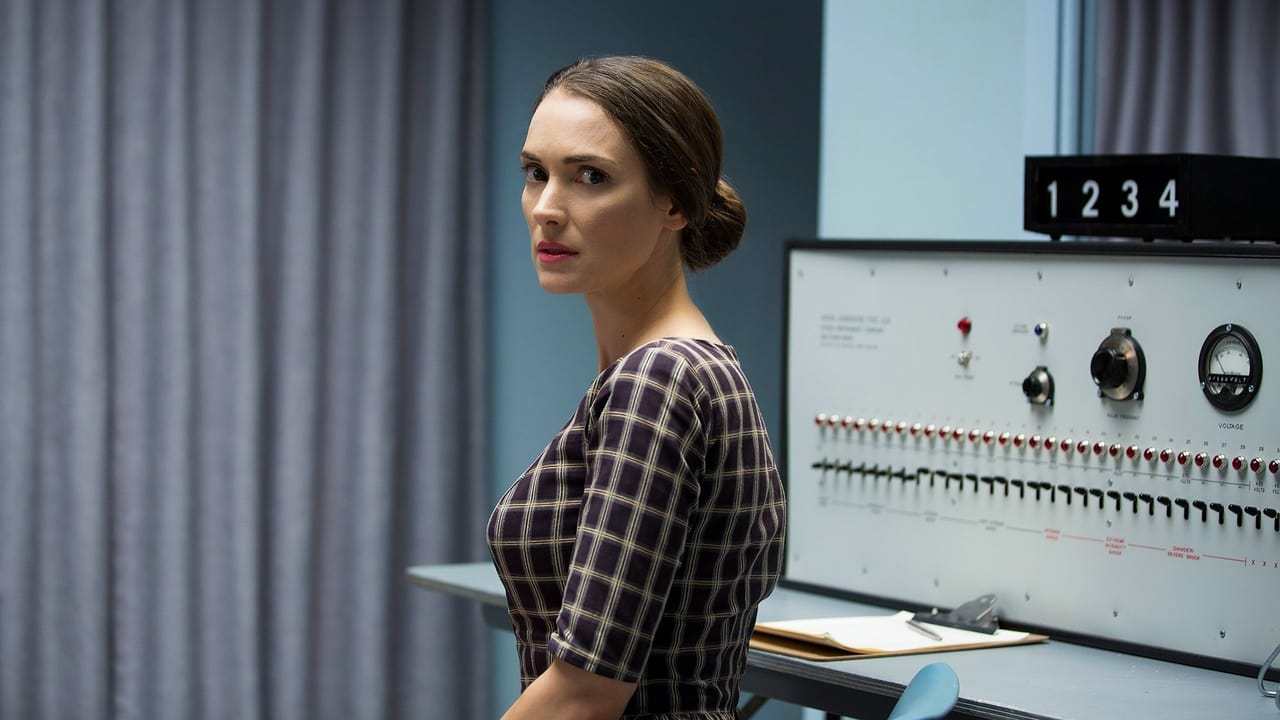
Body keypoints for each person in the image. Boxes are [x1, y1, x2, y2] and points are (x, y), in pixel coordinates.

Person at [486, 56, 786, 720]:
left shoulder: (660, 381)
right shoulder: (683, 368)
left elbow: (586, 693)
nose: (547, 209)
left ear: (673, 203)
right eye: (536, 173)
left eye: (590, 177)